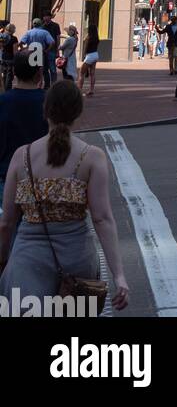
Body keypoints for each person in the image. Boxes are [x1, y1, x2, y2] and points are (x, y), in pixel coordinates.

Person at [0, 80, 129, 312]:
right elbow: (102, 219)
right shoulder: (92, 157)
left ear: (45, 111)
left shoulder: (22, 156)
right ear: (78, 113)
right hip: (77, 261)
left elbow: (7, 222)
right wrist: (119, 276)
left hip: (27, 263)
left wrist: (2, 261)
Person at [0, 54, 47, 185]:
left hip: (8, 172)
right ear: (38, 73)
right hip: (42, 173)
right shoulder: (49, 101)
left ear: (14, 72)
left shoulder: (3, 102)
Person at [19, 19, 56, 90]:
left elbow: (21, 43)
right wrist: (47, 50)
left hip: (30, 53)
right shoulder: (45, 32)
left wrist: (24, 50)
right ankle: (45, 86)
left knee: (31, 69)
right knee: (44, 70)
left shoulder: (28, 32)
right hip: (41, 53)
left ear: (33, 24)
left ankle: (31, 84)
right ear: (41, 24)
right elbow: (52, 42)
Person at [77, 28, 99, 98]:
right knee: (92, 73)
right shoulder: (97, 38)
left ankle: (79, 90)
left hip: (89, 55)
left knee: (81, 72)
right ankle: (91, 90)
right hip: (95, 54)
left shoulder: (88, 37)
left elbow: (85, 48)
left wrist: (83, 56)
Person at [41, 14, 61, 91]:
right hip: (44, 50)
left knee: (52, 68)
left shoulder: (55, 25)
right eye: (44, 16)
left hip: (52, 49)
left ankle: (53, 85)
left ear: (50, 17)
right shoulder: (42, 26)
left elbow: (58, 37)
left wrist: (57, 49)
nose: (45, 17)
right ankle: (47, 85)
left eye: (47, 16)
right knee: (45, 69)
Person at [1, 24, 17, 93]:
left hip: (3, 57)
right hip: (10, 58)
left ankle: (3, 89)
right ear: (13, 30)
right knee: (9, 76)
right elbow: (15, 51)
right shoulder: (14, 38)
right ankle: (7, 91)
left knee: (4, 74)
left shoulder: (2, 37)